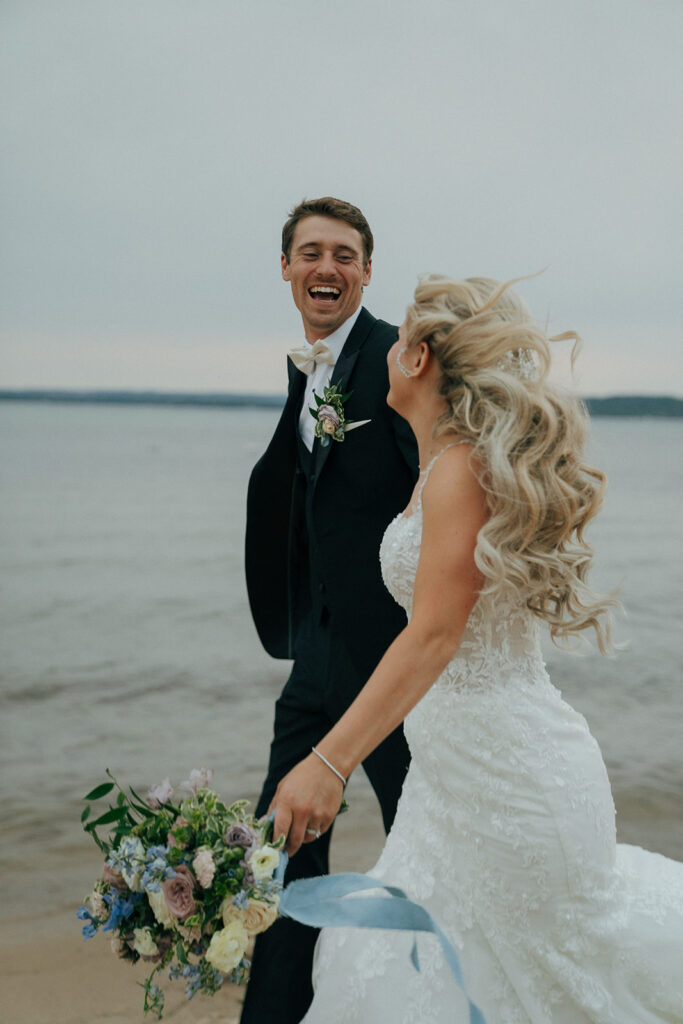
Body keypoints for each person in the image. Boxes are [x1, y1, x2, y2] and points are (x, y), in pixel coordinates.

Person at [270, 275, 683, 1023]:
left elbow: (433, 634)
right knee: (420, 976)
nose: (388, 353)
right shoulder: (439, 468)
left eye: (398, 342)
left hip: (509, 780)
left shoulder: (460, 469)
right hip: (447, 787)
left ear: (420, 360)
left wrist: (329, 762)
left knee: (551, 983)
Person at [242, 197, 418, 1022]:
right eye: (310, 253)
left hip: (392, 665)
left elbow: (439, 498)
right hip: (315, 660)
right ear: (285, 268)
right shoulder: (308, 365)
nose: (327, 267)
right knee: (275, 852)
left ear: (367, 271)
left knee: (424, 850)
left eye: (344, 255)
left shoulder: (398, 359)